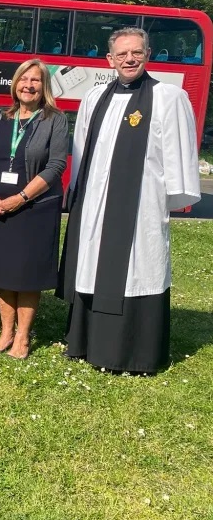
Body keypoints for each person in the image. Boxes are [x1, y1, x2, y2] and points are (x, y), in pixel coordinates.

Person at [58, 27, 200, 373]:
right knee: (92, 266)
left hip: (140, 207)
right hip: (95, 203)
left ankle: (133, 353)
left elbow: (178, 158)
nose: (129, 59)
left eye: (136, 52)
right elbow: (82, 152)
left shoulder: (167, 97)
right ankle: (85, 343)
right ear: (110, 59)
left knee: (137, 266)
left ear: (148, 54)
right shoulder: (95, 97)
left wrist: (160, 203)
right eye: (121, 54)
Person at [0, 59, 68, 358]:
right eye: (23, 79)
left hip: (34, 210)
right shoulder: (2, 117)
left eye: (35, 80)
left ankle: (23, 337)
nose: (28, 85)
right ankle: (5, 333)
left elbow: (57, 165)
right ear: (15, 84)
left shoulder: (54, 119)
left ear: (43, 86)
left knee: (27, 275)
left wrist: (20, 197)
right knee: (4, 274)